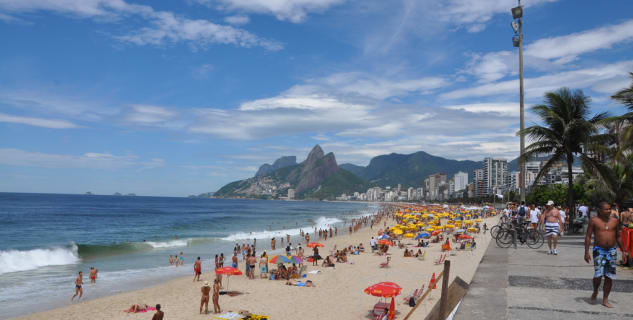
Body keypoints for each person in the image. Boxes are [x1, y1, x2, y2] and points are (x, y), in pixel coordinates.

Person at [585, 201, 622, 308]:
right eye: (606, 209)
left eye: (610, 208)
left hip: (612, 251)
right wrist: (586, 252)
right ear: (600, 210)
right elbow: (588, 236)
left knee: (609, 276)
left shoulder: (615, 221)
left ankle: (605, 299)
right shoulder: (594, 221)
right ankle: (596, 290)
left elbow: (618, 236)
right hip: (599, 250)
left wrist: (624, 251)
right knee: (598, 275)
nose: (609, 210)